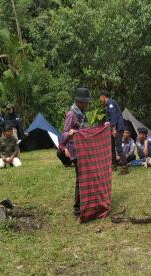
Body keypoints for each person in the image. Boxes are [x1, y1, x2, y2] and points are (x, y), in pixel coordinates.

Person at [62, 87, 90, 217]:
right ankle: (77, 208)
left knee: (85, 176)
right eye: (85, 102)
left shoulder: (82, 113)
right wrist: (70, 133)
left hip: (83, 149)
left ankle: (86, 203)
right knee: (80, 178)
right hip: (76, 151)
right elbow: (63, 135)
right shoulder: (71, 114)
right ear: (79, 101)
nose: (87, 104)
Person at [99, 90, 128, 175]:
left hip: (117, 129)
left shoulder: (111, 103)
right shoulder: (108, 104)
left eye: (100, 97)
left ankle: (124, 167)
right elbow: (109, 118)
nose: (100, 99)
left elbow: (114, 116)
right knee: (111, 147)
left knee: (118, 148)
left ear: (104, 96)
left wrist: (114, 129)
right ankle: (113, 165)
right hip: (112, 129)